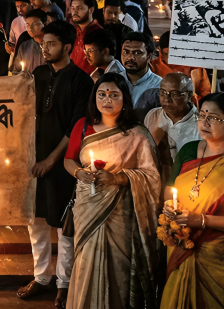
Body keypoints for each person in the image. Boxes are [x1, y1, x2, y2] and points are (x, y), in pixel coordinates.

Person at [62, 73, 160, 309]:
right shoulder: (83, 125)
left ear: (124, 99)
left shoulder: (137, 133)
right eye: (102, 94)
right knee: (86, 259)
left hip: (121, 212)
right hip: (88, 205)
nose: (107, 100)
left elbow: (151, 176)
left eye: (114, 95)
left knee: (119, 264)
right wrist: (79, 173)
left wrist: (117, 178)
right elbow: (69, 160)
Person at [160, 92, 224, 309]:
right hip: (181, 242)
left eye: (214, 118)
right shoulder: (189, 151)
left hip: (218, 254)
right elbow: (171, 189)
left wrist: (201, 221)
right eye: (202, 115)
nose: (204, 122)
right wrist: (170, 207)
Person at [18, 21, 92, 308]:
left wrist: (51, 160)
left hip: (64, 165)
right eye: (42, 44)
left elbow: (76, 127)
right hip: (33, 160)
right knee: (35, 222)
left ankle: (64, 283)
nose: (44, 48)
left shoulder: (81, 81)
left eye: (50, 44)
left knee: (64, 227)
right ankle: (41, 277)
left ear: (67, 46)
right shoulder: (37, 74)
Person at [145, 72, 199, 174]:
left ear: (189, 95)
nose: (167, 99)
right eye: (162, 93)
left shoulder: (200, 123)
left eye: (174, 94)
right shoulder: (152, 115)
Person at [150, 31, 213, 104]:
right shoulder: (152, 67)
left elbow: (206, 95)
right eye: (167, 54)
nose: (172, 59)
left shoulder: (196, 68)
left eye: (176, 55)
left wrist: (192, 100)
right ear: (160, 50)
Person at [121, 32, 163, 114]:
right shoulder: (113, 81)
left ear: (149, 56)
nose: (130, 57)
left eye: (137, 53)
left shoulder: (159, 86)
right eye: (126, 52)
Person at [68, 0, 102, 75]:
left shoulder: (98, 33)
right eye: (72, 8)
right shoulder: (72, 31)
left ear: (91, 10)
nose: (75, 12)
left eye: (80, 8)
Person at [10, 9, 47, 74]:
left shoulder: (50, 46)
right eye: (28, 24)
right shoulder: (24, 46)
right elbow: (16, 71)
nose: (30, 28)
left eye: (35, 24)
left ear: (45, 23)